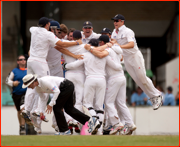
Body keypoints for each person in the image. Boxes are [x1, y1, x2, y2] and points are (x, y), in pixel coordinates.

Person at [22, 17, 83, 130]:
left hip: (32, 62)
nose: (59, 33)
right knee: (42, 90)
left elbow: (60, 48)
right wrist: (76, 42)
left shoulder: (33, 29)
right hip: (42, 64)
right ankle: (37, 113)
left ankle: (27, 109)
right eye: (57, 30)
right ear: (49, 26)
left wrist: (74, 56)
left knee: (30, 86)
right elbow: (61, 45)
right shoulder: (49, 36)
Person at [65, 38, 122, 135]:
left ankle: (94, 119)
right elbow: (116, 66)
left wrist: (66, 65)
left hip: (90, 79)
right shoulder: (104, 55)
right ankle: (99, 130)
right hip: (102, 80)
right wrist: (120, 63)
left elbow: (74, 65)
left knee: (87, 104)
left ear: (90, 45)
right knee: (99, 106)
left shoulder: (86, 55)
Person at [84, 35, 136, 135]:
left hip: (114, 78)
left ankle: (116, 124)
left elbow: (100, 55)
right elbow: (120, 58)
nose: (99, 44)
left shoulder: (108, 50)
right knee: (121, 103)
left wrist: (89, 48)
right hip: (122, 77)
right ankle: (130, 124)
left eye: (100, 42)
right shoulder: (116, 48)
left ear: (102, 42)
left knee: (108, 103)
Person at [110, 14, 163, 110]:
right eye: (114, 21)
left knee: (142, 77)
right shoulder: (114, 32)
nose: (115, 23)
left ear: (122, 21)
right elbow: (114, 43)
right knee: (138, 81)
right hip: (126, 58)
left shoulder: (128, 31)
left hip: (134, 56)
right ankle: (152, 97)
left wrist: (119, 46)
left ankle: (157, 94)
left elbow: (131, 44)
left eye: (117, 21)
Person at [22, 74, 100, 135]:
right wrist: (41, 111)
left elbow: (56, 91)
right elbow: (42, 99)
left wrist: (51, 104)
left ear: (33, 82)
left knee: (56, 108)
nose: (28, 87)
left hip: (66, 86)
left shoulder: (44, 81)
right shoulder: (38, 88)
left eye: (28, 85)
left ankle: (65, 130)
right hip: (66, 87)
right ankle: (91, 120)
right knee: (69, 110)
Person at [6, 55, 27, 135]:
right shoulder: (14, 71)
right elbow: (7, 80)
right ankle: (21, 126)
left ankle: (23, 127)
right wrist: (13, 83)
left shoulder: (29, 70)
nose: (23, 61)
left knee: (23, 108)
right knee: (19, 110)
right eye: (21, 59)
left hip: (26, 93)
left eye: (24, 59)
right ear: (18, 61)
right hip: (17, 93)